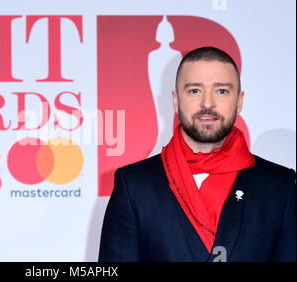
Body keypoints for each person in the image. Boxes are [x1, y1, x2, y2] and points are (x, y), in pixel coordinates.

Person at [98, 46, 296, 262]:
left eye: (221, 91)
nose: (207, 103)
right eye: (195, 90)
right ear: (175, 101)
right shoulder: (134, 186)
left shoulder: (280, 186)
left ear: (239, 101)